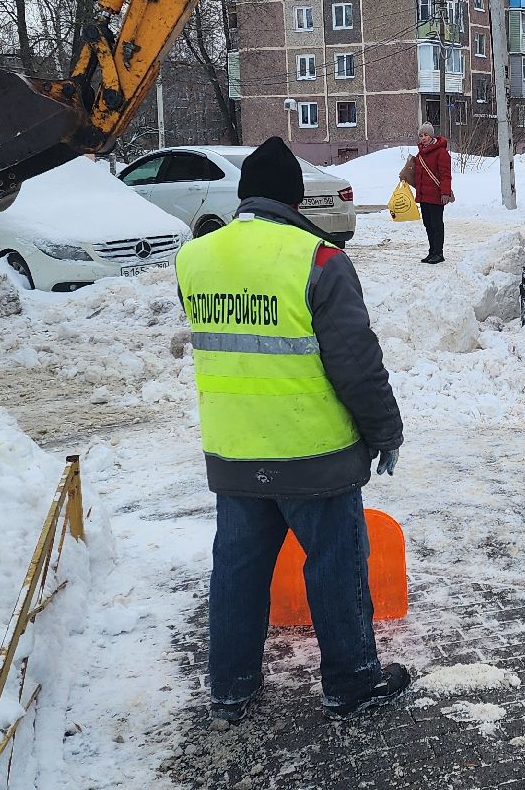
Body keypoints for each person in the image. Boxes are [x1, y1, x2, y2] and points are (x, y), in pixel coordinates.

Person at [174, 136, 410, 728]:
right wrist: (384, 432)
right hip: (314, 455)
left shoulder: (196, 257)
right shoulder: (319, 260)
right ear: (296, 198)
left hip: (234, 454)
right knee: (334, 565)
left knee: (236, 571)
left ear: (244, 194)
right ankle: (351, 682)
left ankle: (231, 686)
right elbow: (355, 361)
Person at [397, 123, 453, 264]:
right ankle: (432, 251)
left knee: (436, 224)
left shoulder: (441, 153)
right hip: (424, 195)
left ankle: (438, 253)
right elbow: (418, 175)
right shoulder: (420, 153)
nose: (423, 138)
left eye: (426, 135)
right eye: (421, 135)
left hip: (436, 195)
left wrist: (445, 192)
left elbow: (446, 175)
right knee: (428, 224)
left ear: (431, 135)